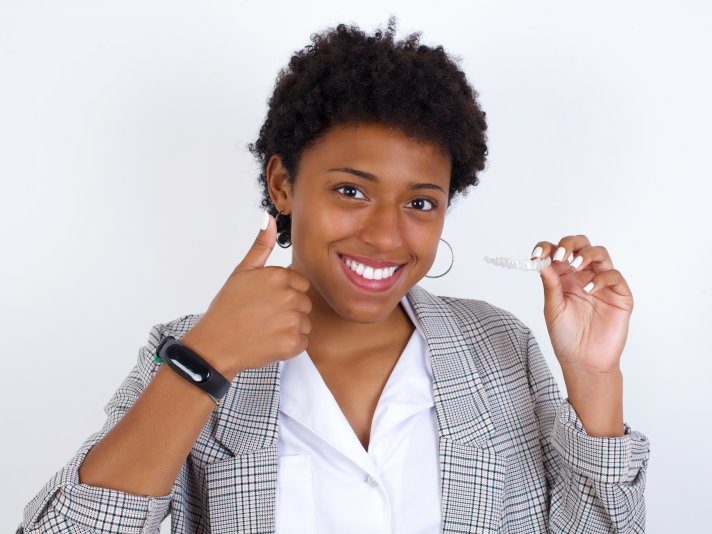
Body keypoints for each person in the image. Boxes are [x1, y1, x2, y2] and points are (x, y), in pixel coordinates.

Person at [17, 16, 650, 534]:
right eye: (351, 190)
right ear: (282, 184)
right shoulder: (189, 349)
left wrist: (594, 377)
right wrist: (204, 363)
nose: (385, 234)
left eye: (420, 202)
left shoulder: (498, 348)